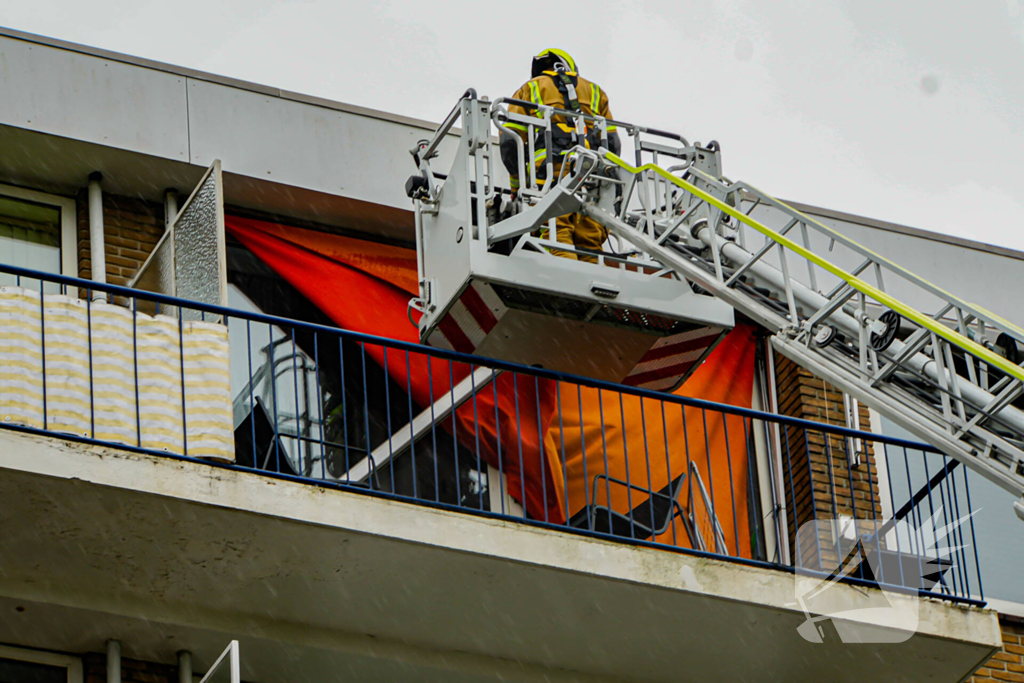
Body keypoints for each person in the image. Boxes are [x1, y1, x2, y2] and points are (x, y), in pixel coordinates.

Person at [500, 48, 621, 263]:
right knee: (590, 242)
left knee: (556, 234)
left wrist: (517, 187)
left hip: (550, 178)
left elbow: (510, 143)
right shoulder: (595, 92)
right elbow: (612, 143)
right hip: (592, 180)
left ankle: (572, 286)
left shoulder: (531, 88)